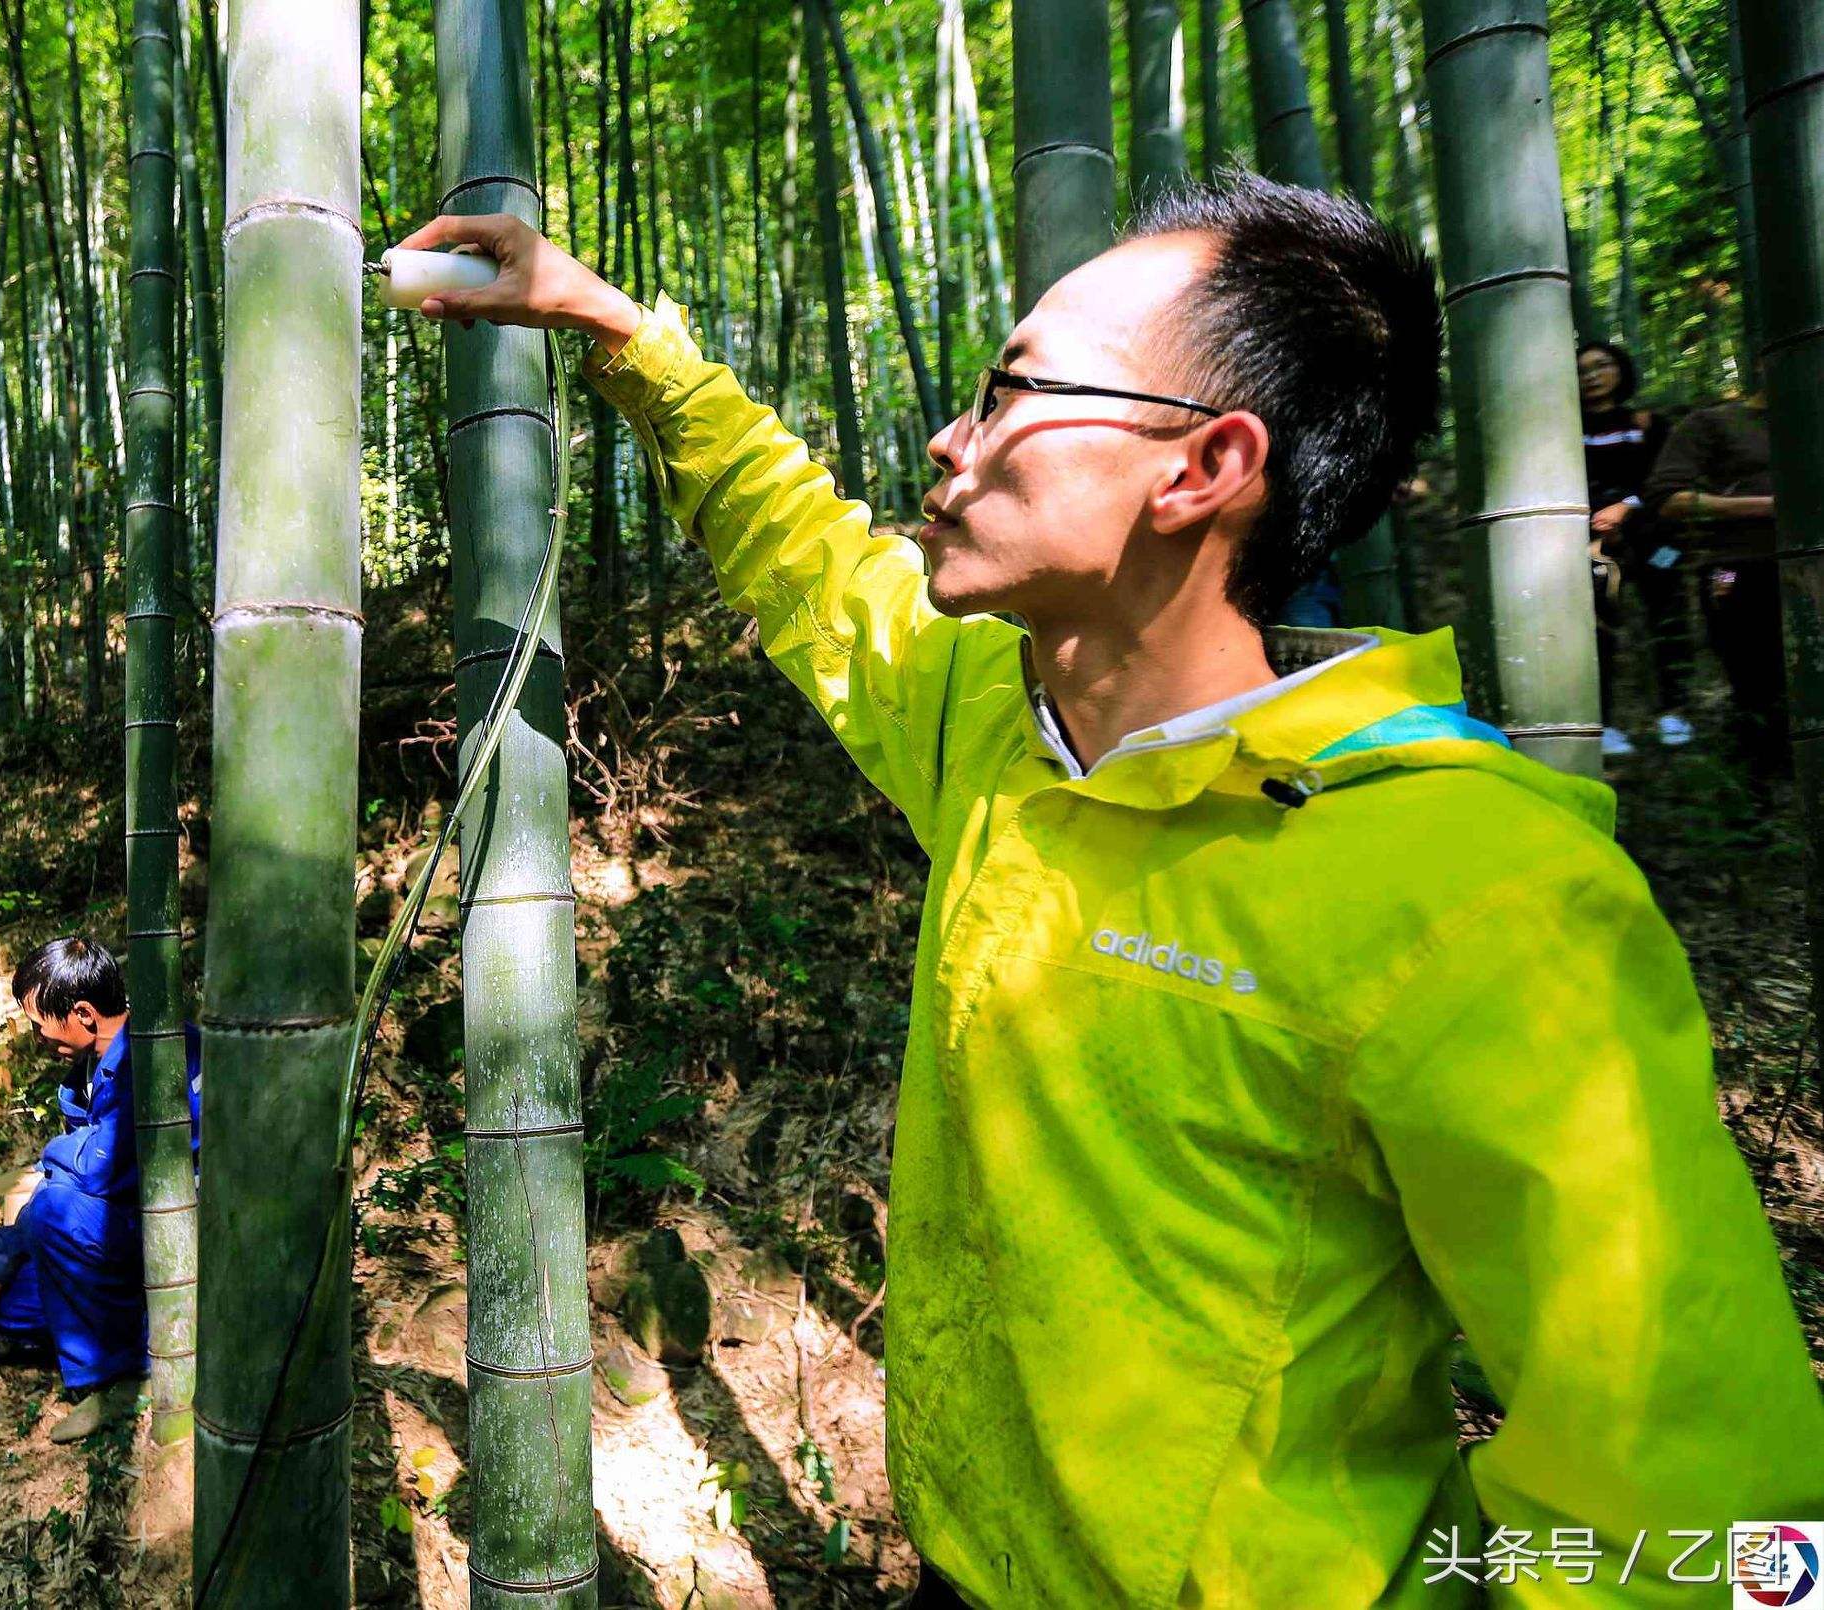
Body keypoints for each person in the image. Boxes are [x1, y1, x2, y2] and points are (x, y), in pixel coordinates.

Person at [395, 175, 1823, 1606]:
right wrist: (604, 323)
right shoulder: (993, 718)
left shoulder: (1476, 888)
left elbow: (1711, 1507)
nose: (949, 441)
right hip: (965, 1565)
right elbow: (806, 552)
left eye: (1011, 390)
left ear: (1202, 466)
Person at [0, 937, 196, 1443]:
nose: (37, 1037)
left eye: (39, 1024)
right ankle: (145, 1328)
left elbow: (95, 1170)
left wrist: (56, 1155)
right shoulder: (88, 1069)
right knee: (10, 1305)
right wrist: (2, 1255)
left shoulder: (158, 1052)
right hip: (124, 1234)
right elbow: (72, 1175)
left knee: (55, 1211)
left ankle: (119, 1377)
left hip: (184, 1236)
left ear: (84, 1014)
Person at [1643, 386, 1784, 781]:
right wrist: (1767, 506)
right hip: (1731, 567)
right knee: (1753, 680)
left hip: (1811, 563)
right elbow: (1668, 499)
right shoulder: (1713, 422)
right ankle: (1759, 791)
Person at [1575, 341, 1691, 756]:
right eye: (1582, 369)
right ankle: (1603, 722)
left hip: (1654, 539)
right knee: (1598, 627)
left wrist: (1626, 507)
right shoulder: (1567, 432)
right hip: (1594, 543)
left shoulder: (1647, 423)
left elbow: (1664, 480)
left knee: (1668, 614)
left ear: (1621, 369)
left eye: (1601, 365)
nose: (1592, 376)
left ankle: (1675, 711)